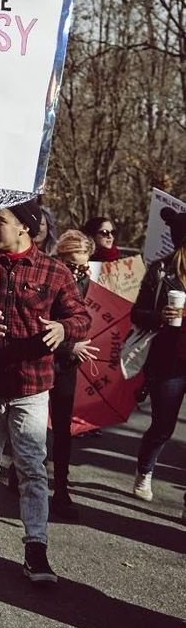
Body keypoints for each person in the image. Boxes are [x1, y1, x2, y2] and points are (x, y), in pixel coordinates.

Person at [0, 201, 91, 584]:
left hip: (33, 387)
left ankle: (36, 545)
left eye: (0, 221)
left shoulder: (54, 271)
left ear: (24, 228)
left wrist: (63, 329)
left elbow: (81, 317)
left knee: (32, 468)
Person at [130, 205, 186, 521]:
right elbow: (137, 314)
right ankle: (145, 470)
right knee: (163, 426)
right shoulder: (161, 271)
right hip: (169, 361)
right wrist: (158, 316)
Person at [49, 230, 98, 521]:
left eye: (83, 264)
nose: (79, 270)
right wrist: (69, 344)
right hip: (46, 357)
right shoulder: (51, 275)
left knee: (62, 427)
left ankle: (61, 489)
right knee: (33, 425)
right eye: (74, 263)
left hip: (67, 364)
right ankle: (20, 469)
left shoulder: (88, 283)